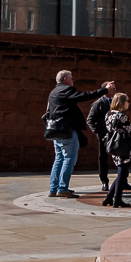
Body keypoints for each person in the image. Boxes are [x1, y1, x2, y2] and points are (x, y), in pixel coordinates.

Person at [44, 70, 114, 199]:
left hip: (55, 131)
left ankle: (54, 188)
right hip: (67, 130)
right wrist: (104, 90)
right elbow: (84, 96)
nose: (73, 80)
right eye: (71, 78)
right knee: (69, 159)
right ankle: (62, 188)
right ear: (65, 79)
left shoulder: (54, 92)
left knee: (59, 159)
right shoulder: (65, 90)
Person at [100, 93, 131, 208]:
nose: (129, 103)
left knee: (121, 172)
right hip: (123, 147)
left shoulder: (108, 114)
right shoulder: (122, 116)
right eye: (127, 100)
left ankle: (108, 198)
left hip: (113, 146)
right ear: (122, 102)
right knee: (122, 173)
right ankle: (118, 199)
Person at [87, 90, 114, 194]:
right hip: (103, 135)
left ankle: (123, 181)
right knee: (102, 157)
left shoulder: (115, 102)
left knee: (122, 157)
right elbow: (90, 119)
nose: (114, 91)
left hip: (115, 134)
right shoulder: (98, 103)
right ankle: (104, 181)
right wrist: (98, 131)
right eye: (112, 89)